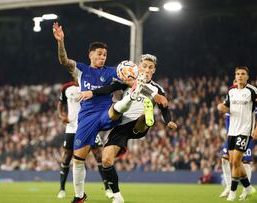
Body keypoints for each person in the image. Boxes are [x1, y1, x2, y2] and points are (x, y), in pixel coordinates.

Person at [53, 22, 148, 203]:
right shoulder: (82, 70)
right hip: (87, 119)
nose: (102, 57)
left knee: (116, 109)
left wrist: (134, 81)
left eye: (105, 55)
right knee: (78, 159)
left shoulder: (113, 72)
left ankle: (128, 101)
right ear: (91, 55)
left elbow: (129, 79)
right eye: (99, 54)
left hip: (106, 113)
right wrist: (60, 42)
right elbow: (63, 60)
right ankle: (80, 196)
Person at [79, 54, 178, 203]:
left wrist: (168, 121)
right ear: (138, 67)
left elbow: (164, 108)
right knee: (106, 160)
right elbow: (110, 88)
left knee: (144, 117)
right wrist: (91, 92)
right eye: (144, 66)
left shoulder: (158, 88)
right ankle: (117, 197)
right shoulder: (129, 80)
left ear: (154, 71)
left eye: (150, 67)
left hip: (138, 126)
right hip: (122, 126)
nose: (147, 69)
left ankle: (146, 116)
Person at [57, 80, 113, 199]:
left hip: (89, 125)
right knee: (67, 156)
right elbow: (61, 103)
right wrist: (62, 115)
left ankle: (107, 188)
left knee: (99, 155)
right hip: (72, 127)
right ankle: (62, 189)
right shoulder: (66, 87)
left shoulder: (90, 85)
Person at [217, 66, 257, 201]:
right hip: (232, 130)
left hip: (245, 130)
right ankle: (248, 187)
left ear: (247, 77)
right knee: (233, 162)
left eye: (243, 74)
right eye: (238, 74)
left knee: (237, 160)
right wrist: (221, 107)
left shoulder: (252, 90)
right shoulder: (231, 91)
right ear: (235, 76)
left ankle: (232, 191)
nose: (240, 76)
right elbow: (227, 107)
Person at [219, 109, 257, 198]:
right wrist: (229, 132)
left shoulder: (250, 97)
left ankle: (246, 190)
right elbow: (228, 118)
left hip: (247, 134)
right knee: (224, 159)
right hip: (233, 134)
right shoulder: (232, 97)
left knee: (245, 162)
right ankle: (229, 186)